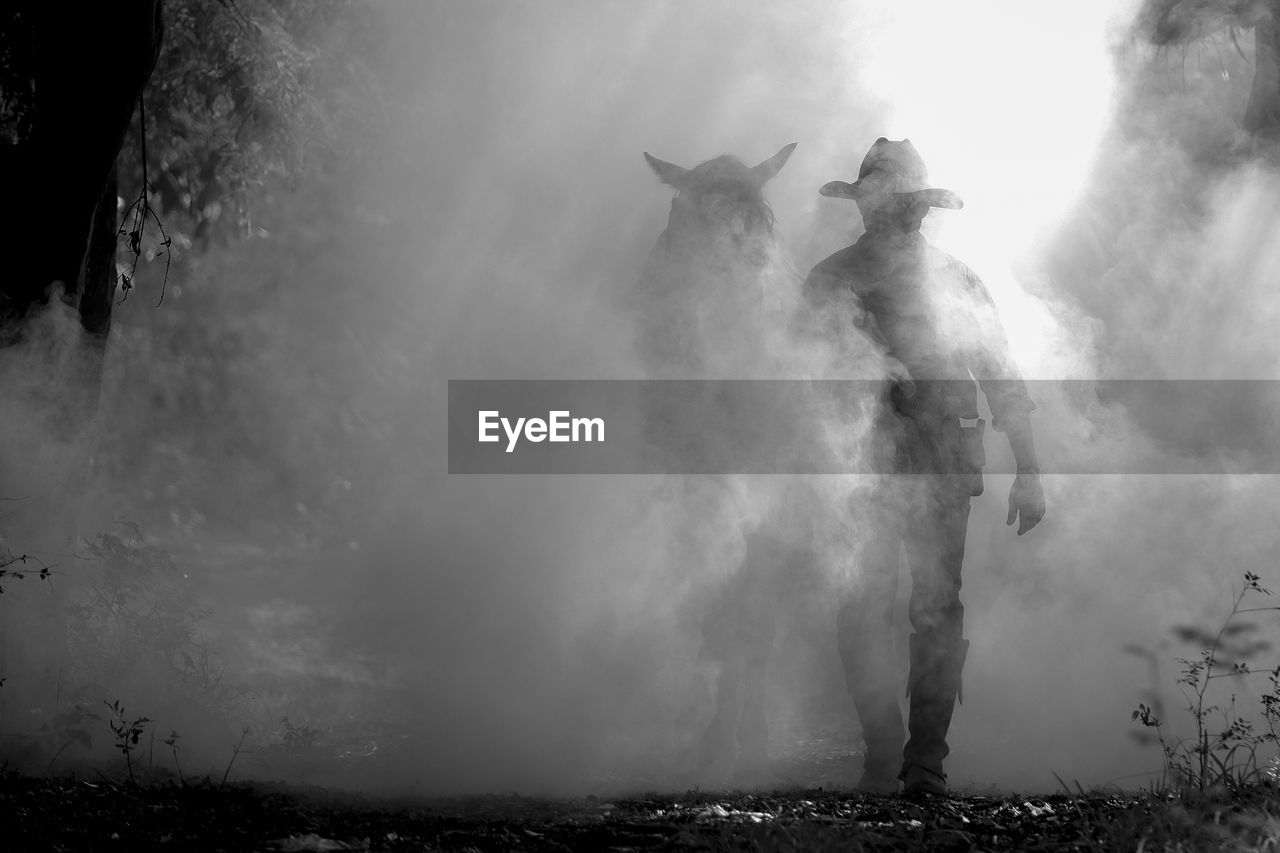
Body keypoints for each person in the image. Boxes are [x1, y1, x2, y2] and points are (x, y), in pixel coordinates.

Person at [802, 138, 1046, 796]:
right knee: (860, 609)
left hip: (939, 465)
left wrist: (1030, 469)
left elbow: (1001, 378)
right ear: (864, 208)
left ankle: (926, 762)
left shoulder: (958, 282)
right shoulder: (832, 280)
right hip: (863, 468)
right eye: (885, 204)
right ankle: (884, 751)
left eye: (906, 205)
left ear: (922, 212)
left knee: (937, 609)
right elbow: (804, 382)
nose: (896, 216)